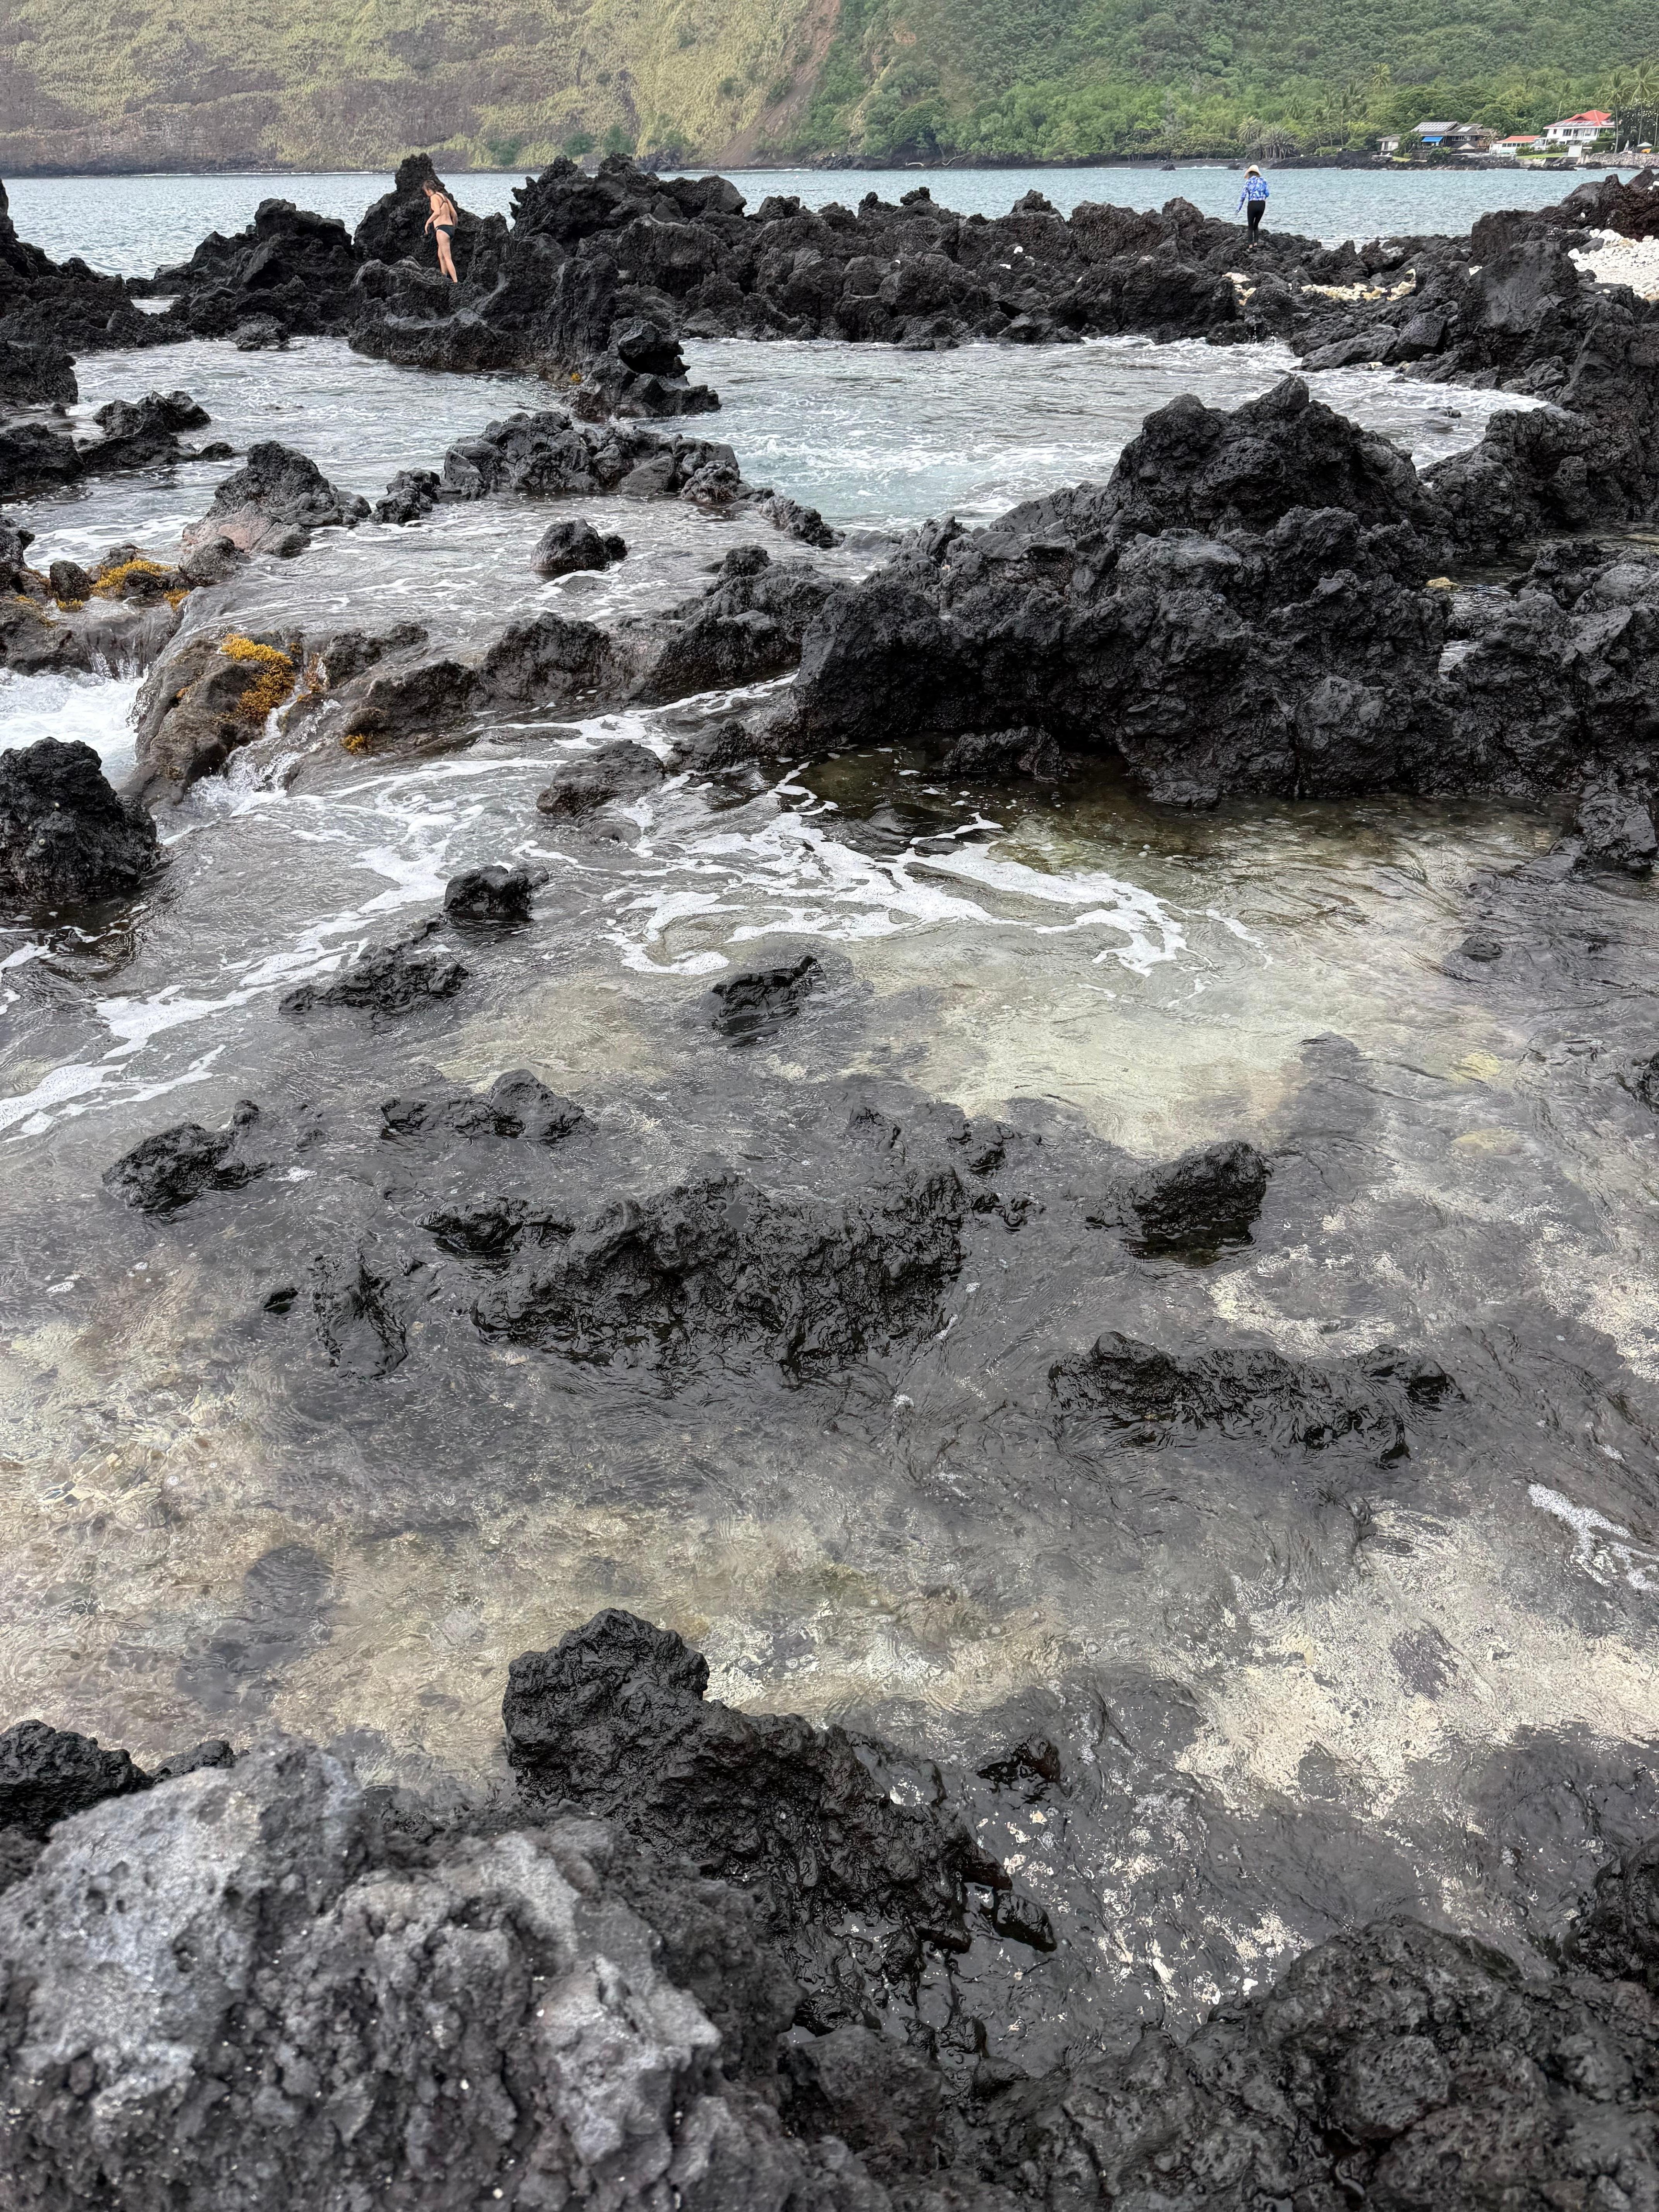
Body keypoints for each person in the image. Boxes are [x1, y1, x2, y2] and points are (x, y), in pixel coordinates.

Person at [423, 182, 460, 283]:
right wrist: (454, 227)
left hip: (442, 230)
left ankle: (456, 282)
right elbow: (455, 215)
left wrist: (428, 223)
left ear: (428, 190)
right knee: (441, 255)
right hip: (450, 228)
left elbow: (438, 212)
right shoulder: (444, 198)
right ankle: (444, 278)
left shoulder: (434, 197)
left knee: (448, 258)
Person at [1237, 165, 1269, 248]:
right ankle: (1256, 243)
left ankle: (1250, 245)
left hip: (1252, 204)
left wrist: (1239, 209)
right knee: (1256, 225)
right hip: (1262, 204)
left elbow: (1243, 197)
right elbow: (1267, 194)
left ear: (1250, 173)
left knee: (1250, 226)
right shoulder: (1264, 181)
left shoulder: (1248, 182)